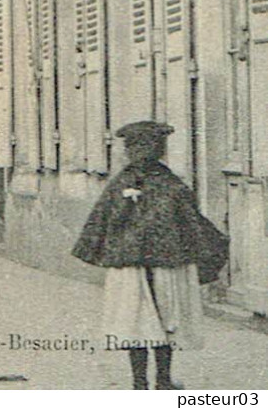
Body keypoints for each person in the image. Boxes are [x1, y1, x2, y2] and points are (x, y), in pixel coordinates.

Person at [72, 121, 229, 390]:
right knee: (165, 320)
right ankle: (162, 380)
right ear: (160, 150)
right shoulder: (171, 184)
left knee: (136, 322)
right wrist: (214, 246)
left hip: (131, 266)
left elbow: (99, 224)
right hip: (165, 264)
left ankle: (140, 382)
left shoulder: (120, 183)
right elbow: (192, 222)